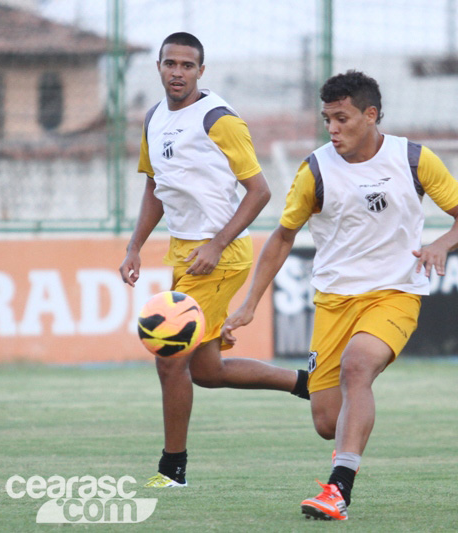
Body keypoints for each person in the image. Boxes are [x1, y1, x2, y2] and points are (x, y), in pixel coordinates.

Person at [221, 70, 458, 520]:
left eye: (341, 118)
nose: (332, 128)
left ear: (371, 115)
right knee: (326, 422)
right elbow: (282, 238)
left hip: (395, 293)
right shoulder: (316, 170)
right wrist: (248, 305)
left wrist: (441, 244)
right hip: (334, 301)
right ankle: (327, 409)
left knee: (357, 366)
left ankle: (338, 489)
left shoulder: (414, 159)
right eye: (327, 119)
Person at [118, 32, 309, 489]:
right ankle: (306, 382)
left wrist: (217, 244)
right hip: (184, 252)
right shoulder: (153, 118)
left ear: (201, 71)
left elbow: (260, 191)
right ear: (159, 67)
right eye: (170, 63)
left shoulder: (218, 119)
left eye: (187, 65)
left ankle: (172, 469)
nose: (177, 72)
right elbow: (154, 188)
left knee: (168, 357)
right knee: (206, 371)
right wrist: (134, 246)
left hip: (220, 256)